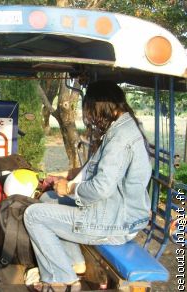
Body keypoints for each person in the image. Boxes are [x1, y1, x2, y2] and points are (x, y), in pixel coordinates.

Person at [24, 80, 152, 292]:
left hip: (113, 223)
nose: (90, 118)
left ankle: (61, 280)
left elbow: (100, 188)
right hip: (116, 212)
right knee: (48, 199)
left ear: (100, 107)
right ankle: (74, 262)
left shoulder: (120, 139)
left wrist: (70, 189)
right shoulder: (123, 127)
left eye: (90, 111)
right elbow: (99, 171)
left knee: (33, 215)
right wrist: (67, 176)